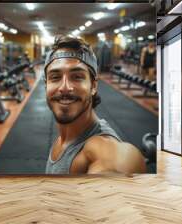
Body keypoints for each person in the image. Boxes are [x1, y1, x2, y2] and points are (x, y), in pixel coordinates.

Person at [44, 36, 146, 175]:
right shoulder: (66, 135)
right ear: (46, 85)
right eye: (55, 77)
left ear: (93, 85)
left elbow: (119, 162)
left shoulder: (103, 147)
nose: (64, 87)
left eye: (77, 77)